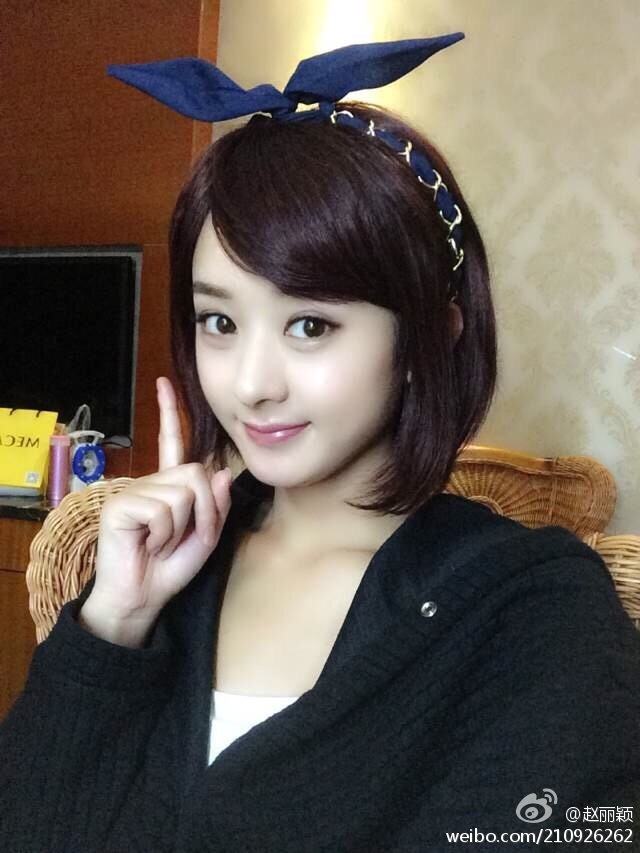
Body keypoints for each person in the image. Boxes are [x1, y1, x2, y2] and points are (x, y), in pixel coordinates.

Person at [1, 34, 639, 853]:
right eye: (218, 320)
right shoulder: (162, 574)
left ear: (431, 336)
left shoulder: (535, 608)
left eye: (310, 325)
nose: (250, 383)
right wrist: (116, 621)